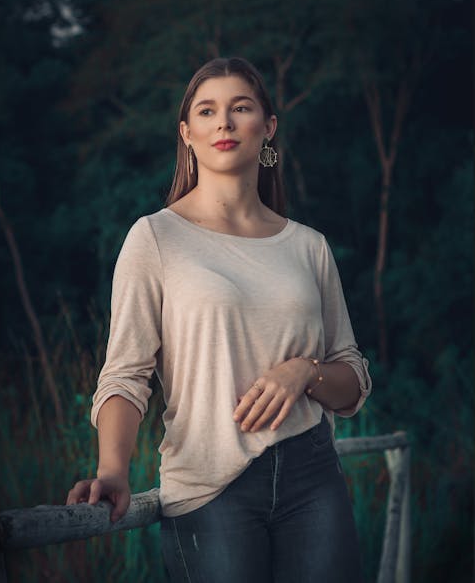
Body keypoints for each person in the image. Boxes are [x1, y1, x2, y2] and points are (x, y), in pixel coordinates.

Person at [66, 56, 372, 583]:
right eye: (207, 111)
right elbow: (125, 374)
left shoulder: (308, 247)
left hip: (313, 479)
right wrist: (112, 471)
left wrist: (304, 372)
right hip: (210, 489)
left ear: (268, 127)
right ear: (187, 133)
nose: (224, 122)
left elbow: (352, 385)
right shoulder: (155, 238)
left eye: (240, 107)